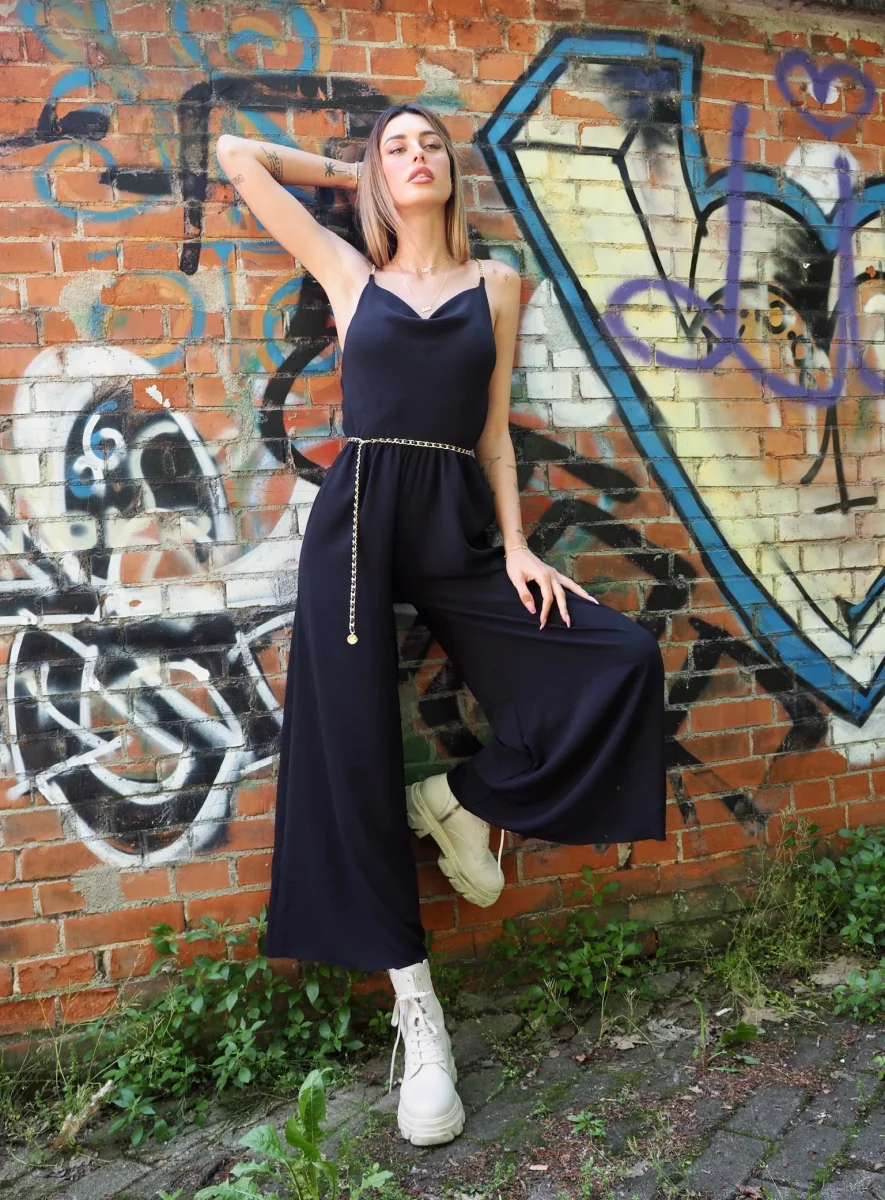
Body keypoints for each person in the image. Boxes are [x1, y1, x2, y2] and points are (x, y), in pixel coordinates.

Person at [215, 102, 666, 1148]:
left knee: (619, 659)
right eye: (397, 148)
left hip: (458, 518)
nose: (416, 158)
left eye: (431, 146)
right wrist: (356, 175)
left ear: (456, 172)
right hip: (358, 528)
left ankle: (458, 800)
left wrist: (515, 546)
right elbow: (237, 155)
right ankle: (419, 1018)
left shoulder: (497, 285)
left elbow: (494, 432)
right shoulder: (349, 272)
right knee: (352, 757)